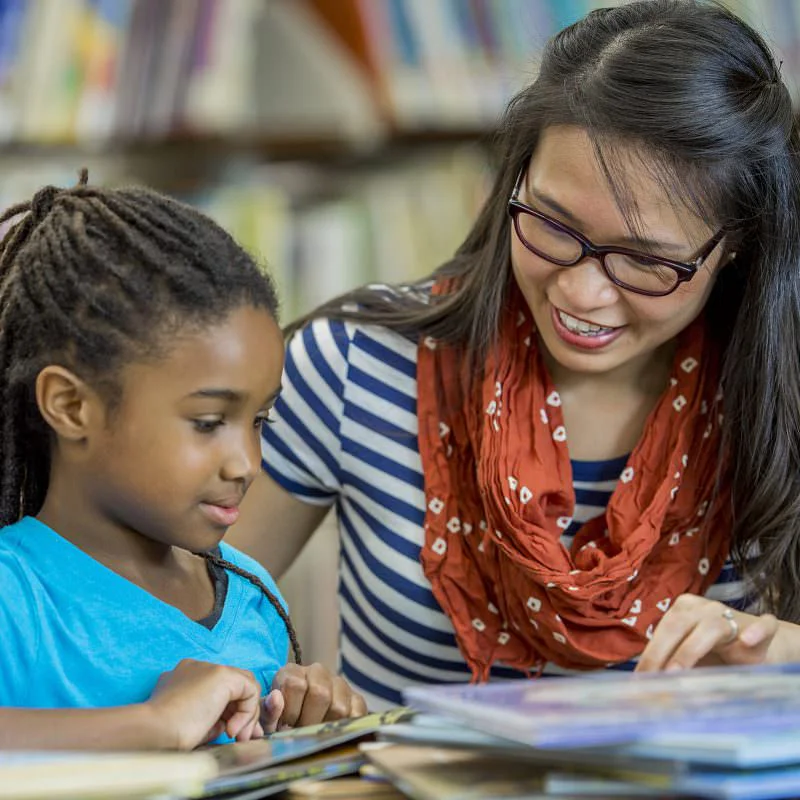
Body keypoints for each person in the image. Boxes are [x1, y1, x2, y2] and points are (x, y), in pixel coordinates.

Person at [229, 0, 800, 710]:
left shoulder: (779, 396)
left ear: (737, 247)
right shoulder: (352, 367)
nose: (582, 291)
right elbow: (185, 629)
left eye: (644, 261)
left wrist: (786, 654)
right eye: (553, 225)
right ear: (514, 180)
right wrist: (273, 690)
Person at [0, 172, 367, 750]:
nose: (247, 462)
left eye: (259, 422)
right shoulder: (15, 594)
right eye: (207, 423)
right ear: (71, 406)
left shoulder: (254, 596)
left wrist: (310, 740)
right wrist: (154, 725)